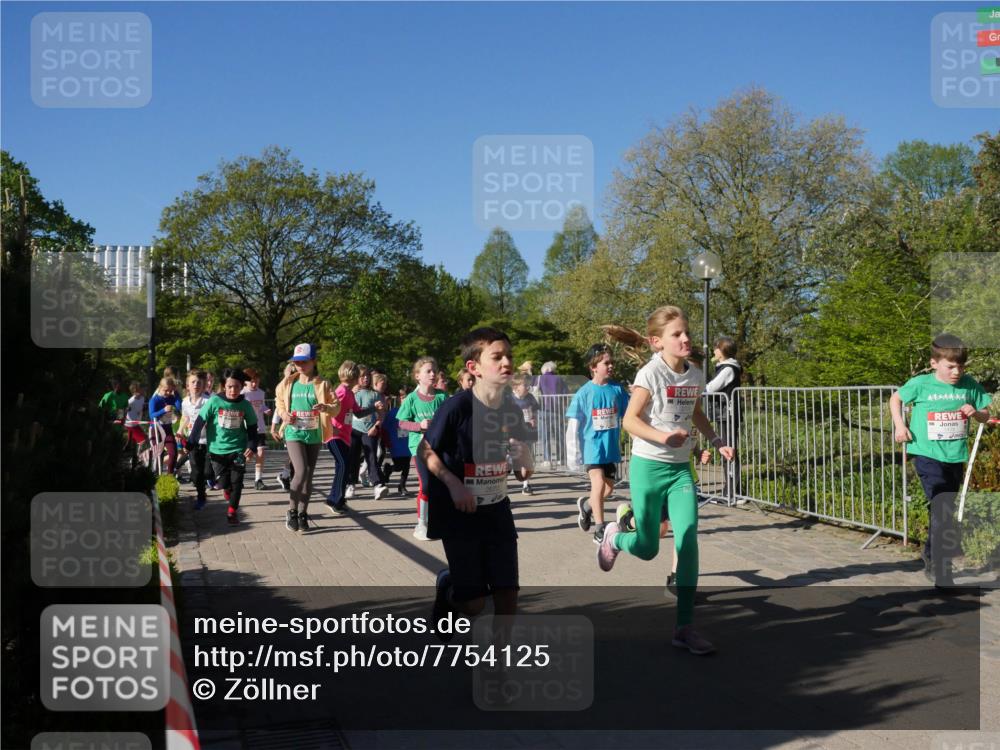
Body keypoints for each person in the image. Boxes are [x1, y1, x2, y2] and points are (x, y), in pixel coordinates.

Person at [600, 307, 735, 655]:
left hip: (679, 471)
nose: (685, 338)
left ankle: (684, 627)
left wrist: (717, 441)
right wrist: (662, 437)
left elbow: (694, 412)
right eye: (677, 334)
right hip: (649, 467)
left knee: (688, 540)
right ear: (657, 342)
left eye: (686, 332)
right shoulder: (650, 374)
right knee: (647, 548)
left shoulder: (695, 374)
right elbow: (629, 421)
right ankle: (615, 538)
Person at [422, 327, 534, 636]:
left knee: (508, 594)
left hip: (497, 510)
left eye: (509, 356)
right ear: (474, 367)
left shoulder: (512, 410)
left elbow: (524, 472)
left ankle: (498, 667)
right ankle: (449, 586)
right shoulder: (456, 408)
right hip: (460, 515)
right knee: (473, 605)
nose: (506, 363)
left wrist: (524, 458)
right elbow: (425, 450)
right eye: (496, 357)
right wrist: (454, 484)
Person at [889, 333, 991, 585]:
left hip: (955, 456)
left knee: (944, 509)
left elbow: (985, 415)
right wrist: (900, 426)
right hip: (926, 454)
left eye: (961, 366)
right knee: (941, 506)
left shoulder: (968, 385)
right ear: (934, 363)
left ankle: (930, 554)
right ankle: (940, 568)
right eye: (950, 366)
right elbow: (896, 398)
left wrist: (975, 412)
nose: (956, 372)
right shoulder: (921, 383)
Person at [566, 343, 630, 543]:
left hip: (610, 447)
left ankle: (586, 506)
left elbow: (630, 416)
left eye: (612, 362)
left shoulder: (618, 389)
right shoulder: (584, 393)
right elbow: (573, 425)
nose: (611, 366)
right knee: (598, 483)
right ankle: (599, 528)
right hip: (591, 447)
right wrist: (573, 454)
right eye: (606, 363)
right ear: (594, 366)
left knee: (608, 489)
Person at [275, 344, 340, 532]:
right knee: (301, 471)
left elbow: (336, 407)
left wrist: (326, 408)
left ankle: (303, 514)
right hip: (294, 432)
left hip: (314, 434)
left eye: (304, 361)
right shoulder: (288, 382)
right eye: (297, 362)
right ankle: (291, 511)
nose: (300, 365)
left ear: (314, 361)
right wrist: (284, 414)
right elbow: (279, 400)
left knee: (308, 476)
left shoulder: (323, 384)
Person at [185, 368, 260, 526]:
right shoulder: (214, 401)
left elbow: (253, 428)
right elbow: (200, 422)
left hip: (238, 449)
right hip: (217, 450)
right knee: (225, 483)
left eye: (237, 387)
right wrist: (191, 441)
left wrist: (251, 446)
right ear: (224, 386)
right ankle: (226, 489)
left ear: (241, 388)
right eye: (230, 387)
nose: (233, 390)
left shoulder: (245, 405)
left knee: (237, 482)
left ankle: (232, 512)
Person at [397, 357, 448, 540]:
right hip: (419, 448)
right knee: (425, 485)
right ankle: (421, 524)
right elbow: (401, 423)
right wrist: (419, 425)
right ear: (417, 376)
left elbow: (449, 420)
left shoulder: (442, 397)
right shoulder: (411, 398)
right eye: (428, 371)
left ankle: (437, 521)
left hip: (439, 447)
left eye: (434, 370)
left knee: (440, 485)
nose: (433, 374)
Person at [326, 360, 368, 513]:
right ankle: (336, 500)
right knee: (343, 465)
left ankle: (336, 499)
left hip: (344, 437)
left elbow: (357, 413)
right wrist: (331, 428)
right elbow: (328, 411)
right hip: (334, 436)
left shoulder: (350, 393)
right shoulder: (342, 392)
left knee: (343, 467)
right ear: (354, 376)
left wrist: (373, 409)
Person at [704, 336, 742, 499]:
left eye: (716, 347)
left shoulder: (728, 369)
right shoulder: (725, 367)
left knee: (729, 450)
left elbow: (712, 388)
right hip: (724, 414)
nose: (714, 350)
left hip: (728, 414)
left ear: (723, 350)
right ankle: (730, 490)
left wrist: (698, 388)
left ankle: (734, 492)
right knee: (727, 449)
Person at [346, 366, 390, 501]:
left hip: (370, 430)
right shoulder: (351, 393)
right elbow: (346, 412)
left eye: (367, 376)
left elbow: (382, 415)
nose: (365, 378)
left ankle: (378, 485)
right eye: (362, 376)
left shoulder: (376, 394)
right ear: (356, 378)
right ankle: (351, 484)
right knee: (352, 457)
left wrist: (376, 426)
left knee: (372, 456)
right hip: (353, 430)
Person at [177, 370, 210, 510]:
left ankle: (219, 482)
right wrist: (180, 430)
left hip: (210, 441)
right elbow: (186, 418)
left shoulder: (208, 401)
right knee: (196, 474)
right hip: (193, 442)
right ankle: (201, 498)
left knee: (208, 472)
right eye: (193, 382)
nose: (196, 384)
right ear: (187, 385)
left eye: (199, 382)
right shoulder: (184, 403)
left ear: (203, 386)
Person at [510, 372, 540, 495]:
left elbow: (536, 412)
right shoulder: (509, 399)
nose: (528, 387)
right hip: (513, 435)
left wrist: (534, 419)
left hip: (527, 433)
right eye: (525, 385)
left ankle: (526, 484)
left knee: (527, 458)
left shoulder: (531, 398)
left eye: (528, 385)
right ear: (515, 387)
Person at [242, 368, 271, 491]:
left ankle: (258, 480)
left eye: (257, 382)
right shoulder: (242, 393)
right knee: (248, 455)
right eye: (252, 382)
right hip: (246, 428)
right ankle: (238, 473)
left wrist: (266, 409)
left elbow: (262, 405)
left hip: (260, 427)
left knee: (261, 452)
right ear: (246, 382)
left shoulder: (261, 392)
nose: (254, 384)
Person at [536, 361, 568, 466]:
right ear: (552, 369)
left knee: (545, 436)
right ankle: (561, 458)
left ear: (544, 369)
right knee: (560, 435)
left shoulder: (539, 378)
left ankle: (547, 459)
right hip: (557, 410)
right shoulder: (559, 378)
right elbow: (565, 393)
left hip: (543, 410)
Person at [149, 377, 182, 476]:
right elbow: (151, 416)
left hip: (167, 429)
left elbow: (179, 406)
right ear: (160, 387)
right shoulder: (154, 400)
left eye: (170, 390)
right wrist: (163, 410)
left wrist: (175, 393)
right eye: (165, 390)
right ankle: (156, 476)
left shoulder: (171, 397)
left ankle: (169, 476)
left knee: (173, 453)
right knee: (159, 454)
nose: (168, 392)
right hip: (156, 429)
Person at [273, 362, 297, 490]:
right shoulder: (283, 387)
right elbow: (279, 408)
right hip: (289, 427)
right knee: (294, 456)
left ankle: (285, 475)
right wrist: (274, 428)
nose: (294, 375)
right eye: (291, 372)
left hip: (304, 426)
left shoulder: (302, 385)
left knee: (295, 457)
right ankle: (289, 477)